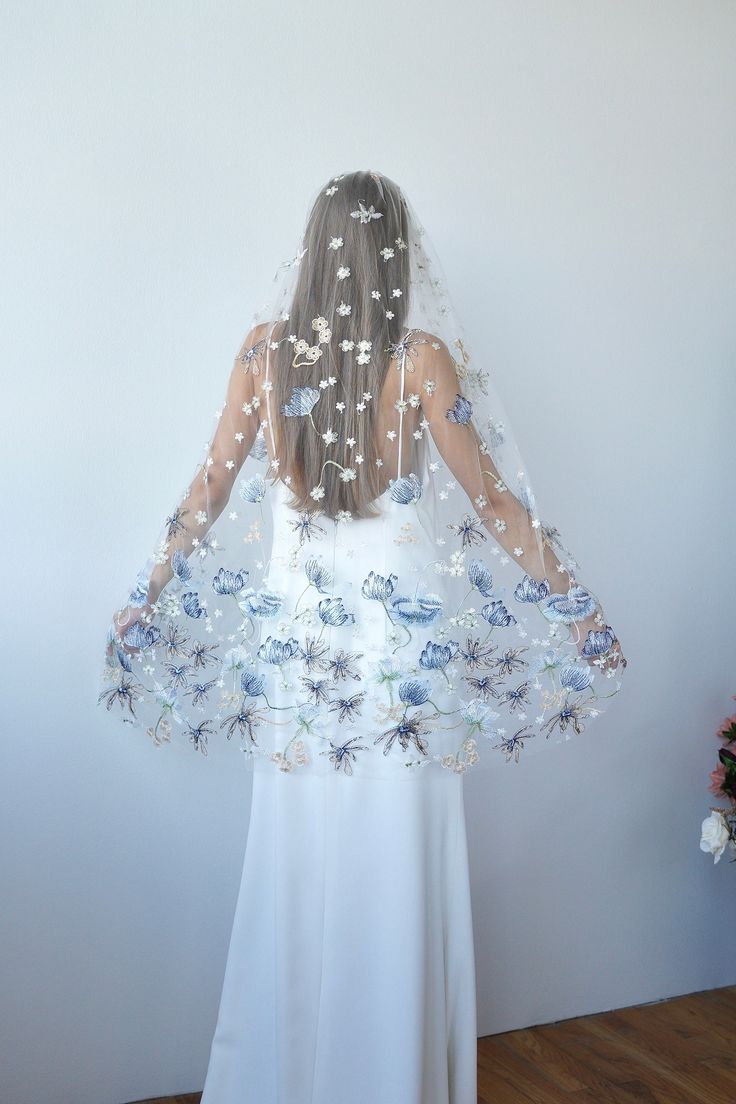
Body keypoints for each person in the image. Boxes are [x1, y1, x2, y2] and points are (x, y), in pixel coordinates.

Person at [98, 170, 626, 1103]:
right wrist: (575, 601)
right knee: (395, 856)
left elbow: (206, 495)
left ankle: (287, 1074)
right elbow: (494, 502)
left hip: (300, 645)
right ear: (394, 255)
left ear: (313, 250)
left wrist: (145, 590)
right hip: (394, 650)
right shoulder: (421, 360)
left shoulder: (263, 354)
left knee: (297, 852)